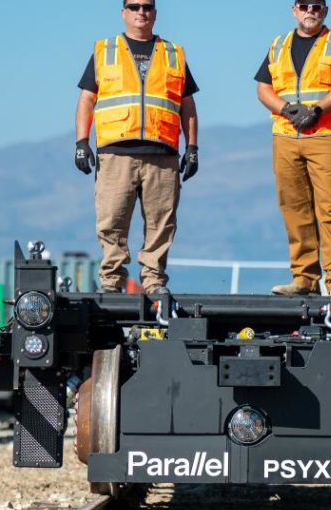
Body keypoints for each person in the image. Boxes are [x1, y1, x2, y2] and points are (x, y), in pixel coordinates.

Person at [74, 0, 199, 294]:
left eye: (147, 7)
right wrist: (81, 142)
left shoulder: (173, 54)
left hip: (162, 154)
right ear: (124, 13)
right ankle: (111, 282)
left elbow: (188, 106)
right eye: (134, 6)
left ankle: (154, 281)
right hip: (116, 152)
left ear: (154, 13)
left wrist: (192, 147)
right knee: (112, 220)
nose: (141, 12)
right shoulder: (105, 51)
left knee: (161, 223)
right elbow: (87, 99)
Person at [256, 0, 331, 297]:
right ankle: (304, 279)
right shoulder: (278, 44)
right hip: (286, 136)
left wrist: (317, 110)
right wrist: (286, 109)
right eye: (304, 5)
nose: (310, 11)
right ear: (294, 10)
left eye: (316, 6)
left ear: (325, 11)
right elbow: (263, 88)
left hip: (327, 135)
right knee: (294, 208)